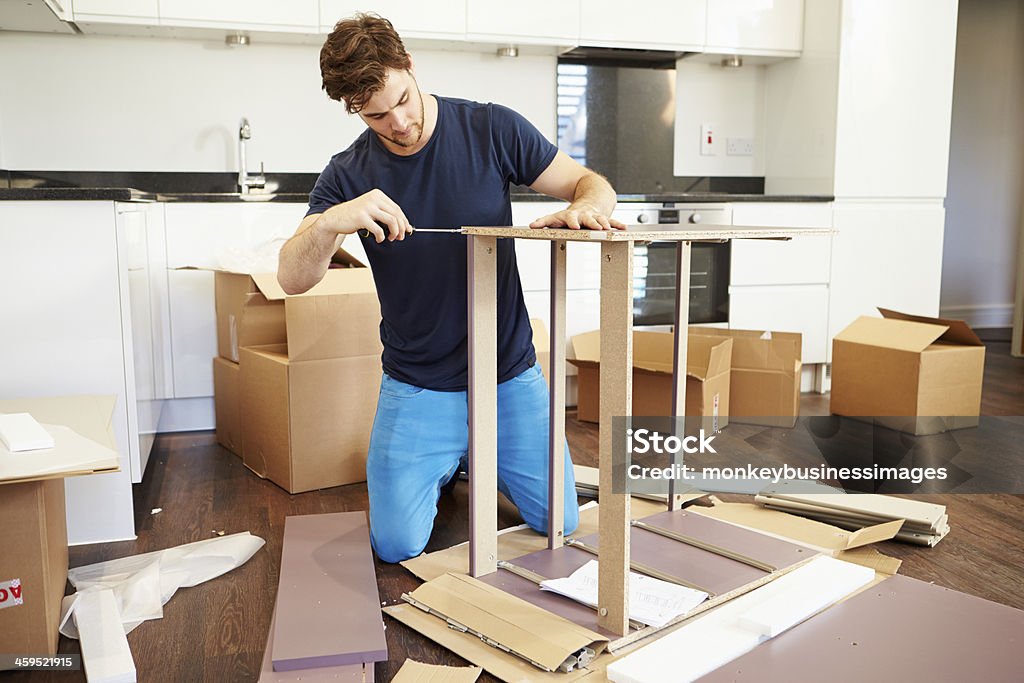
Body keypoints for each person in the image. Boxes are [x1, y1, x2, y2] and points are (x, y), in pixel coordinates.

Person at [277, 13, 625, 563]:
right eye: (376, 115)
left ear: (410, 66)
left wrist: (588, 207)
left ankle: (481, 456)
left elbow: (590, 183)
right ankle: (452, 457)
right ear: (353, 110)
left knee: (560, 521)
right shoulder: (346, 173)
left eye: (403, 100)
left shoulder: (491, 128)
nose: (399, 123)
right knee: (395, 546)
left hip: (508, 375)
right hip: (418, 385)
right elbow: (292, 278)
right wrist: (330, 222)